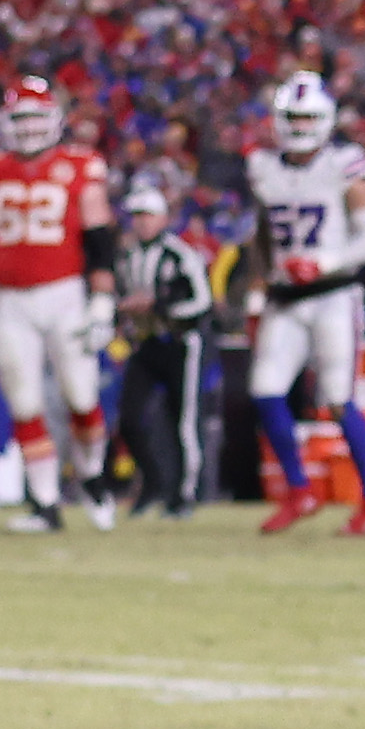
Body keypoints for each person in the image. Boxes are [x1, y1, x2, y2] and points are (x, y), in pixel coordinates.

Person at [0, 72, 115, 532]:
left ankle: (92, 474)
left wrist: (102, 300)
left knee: (81, 395)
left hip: (64, 293)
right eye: (20, 118)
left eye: (35, 118)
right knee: (24, 402)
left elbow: (100, 238)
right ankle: (45, 504)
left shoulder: (80, 165)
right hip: (9, 299)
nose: (28, 129)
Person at [247, 71, 365, 537]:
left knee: (336, 397)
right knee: (265, 389)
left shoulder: (344, 165)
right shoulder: (265, 168)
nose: (300, 125)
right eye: (293, 116)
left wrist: (326, 261)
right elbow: (263, 236)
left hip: (334, 295)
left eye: (309, 116)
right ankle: (300, 490)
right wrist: (256, 292)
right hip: (285, 298)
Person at [118, 186, 221, 516]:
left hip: (181, 342)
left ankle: (184, 493)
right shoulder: (128, 257)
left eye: (148, 216)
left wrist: (158, 305)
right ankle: (152, 482)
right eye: (137, 216)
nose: (143, 223)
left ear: (163, 218)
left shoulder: (180, 254)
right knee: (129, 418)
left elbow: (201, 301)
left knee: (185, 420)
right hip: (146, 343)